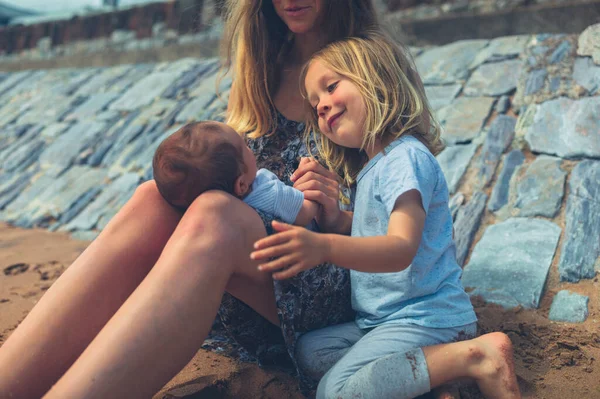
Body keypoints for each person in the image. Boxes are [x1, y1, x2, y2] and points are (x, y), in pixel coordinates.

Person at [0, 1, 517, 398]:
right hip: (270, 258)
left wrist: (331, 207)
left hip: (348, 275)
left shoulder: (367, 62)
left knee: (215, 218)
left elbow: (398, 202)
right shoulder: (264, 59)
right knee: (151, 199)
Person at [250, 33, 522, 399]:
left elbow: (400, 248)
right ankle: (435, 379)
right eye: (315, 104)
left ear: (378, 80)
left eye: (331, 87)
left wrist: (324, 246)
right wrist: (335, 220)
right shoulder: (375, 166)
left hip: (426, 317)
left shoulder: (405, 158)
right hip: (382, 320)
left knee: (336, 391)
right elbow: (372, 226)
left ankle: (477, 358)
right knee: (311, 353)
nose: (322, 106)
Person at [152, 120, 318, 226]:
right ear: (241, 184)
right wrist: (307, 177)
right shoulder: (267, 192)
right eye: (245, 148)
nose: (249, 147)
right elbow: (305, 214)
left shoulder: (214, 221)